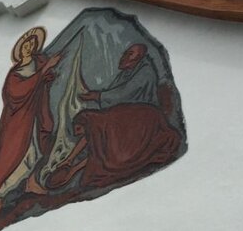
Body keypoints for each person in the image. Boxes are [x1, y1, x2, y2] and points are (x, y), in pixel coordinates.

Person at [48, 43, 181, 190]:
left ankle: (72, 164)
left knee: (95, 122)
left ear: (140, 56)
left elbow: (124, 93)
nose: (124, 56)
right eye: (126, 53)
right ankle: (70, 161)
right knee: (96, 127)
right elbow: (115, 97)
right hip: (125, 116)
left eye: (130, 54)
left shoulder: (145, 71)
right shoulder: (127, 72)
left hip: (144, 118)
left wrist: (97, 96)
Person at [0, 27, 62, 231]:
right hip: (18, 121)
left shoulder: (38, 63)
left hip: (35, 114)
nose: (28, 47)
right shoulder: (14, 74)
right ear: (20, 50)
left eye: (32, 44)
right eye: (25, 45)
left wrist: (46, 78)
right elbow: (17, 92)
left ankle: (30, 182)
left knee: (34, 151)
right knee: (13, 156)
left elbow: (39, 83)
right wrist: (43, 72)